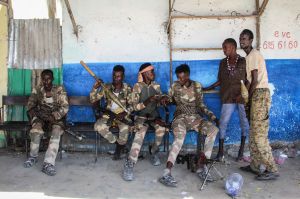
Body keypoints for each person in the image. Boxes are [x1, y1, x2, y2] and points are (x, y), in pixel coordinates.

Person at [158, 64, 219, 187]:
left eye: (183, 78)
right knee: (180, 137)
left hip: (195, 118)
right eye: (178, 78)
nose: (180, 80)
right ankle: (166, 173)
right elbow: (169, 98)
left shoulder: (197, 86)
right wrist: (164, 98)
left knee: (213, 129)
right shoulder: (174, 86)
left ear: (188, 75)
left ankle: (202, 166)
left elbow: (201, 106)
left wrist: (213, 117)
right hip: (179, 118)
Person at [239, 29, 279, 180]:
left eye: (245, 39)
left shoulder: (254, 55)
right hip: (256, 94)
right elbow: (249, 81)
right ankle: (255, 165)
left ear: (251, 40)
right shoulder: (249, 57)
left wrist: (247, 98)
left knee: (259, 134)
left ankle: (272, 169)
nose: (242, 41)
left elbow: (255, 80)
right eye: (241, 39)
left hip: (260, 94)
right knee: (253, 132)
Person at [204, 38, 249, 161]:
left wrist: (244, 94)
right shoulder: (223, 63)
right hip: (227, 96)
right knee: (223, 123)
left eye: (226, 47)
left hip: (241, 97)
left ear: (233, 47)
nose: (223, 50)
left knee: (244, 123)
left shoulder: (244, 61)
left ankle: (241, 151)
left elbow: (248, 80)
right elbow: (220, 80)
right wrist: (208, 88)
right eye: (223, 47)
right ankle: (221, 152)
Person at [122, 63, 167, 181]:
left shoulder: (156, 85)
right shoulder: (137, 86)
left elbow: (160, 98)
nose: (153, 73)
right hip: (141, 117)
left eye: (153, 71)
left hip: (154, 116)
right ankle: (130, 163)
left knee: (161, 129)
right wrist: (147, 101)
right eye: (150, 71)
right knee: (140, 133)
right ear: (144, 74)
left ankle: (153, 152)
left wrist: (162, 99)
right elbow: (133, 107)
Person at [24, 69, 69, 176]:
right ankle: (33, 156)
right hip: (41, 116)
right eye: (44, 79)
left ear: (52, 79)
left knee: (56, 131)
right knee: (36, 129)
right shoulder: (37, 89)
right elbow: (30, 106)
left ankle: (48, 163)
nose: (46, 82)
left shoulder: (59, 89)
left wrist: (54, 116)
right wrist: (36, 114)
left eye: (48, 79)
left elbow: (65, 107)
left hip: (55, 118)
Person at [90, 65, 132, 160]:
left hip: (122, 116)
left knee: (125, 128)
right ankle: (119, 145)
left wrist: (125, 113)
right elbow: (93, 100)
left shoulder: (128, 88)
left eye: (118, 76)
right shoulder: (107, 87)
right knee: (98, 126)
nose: (116, 78)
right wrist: (95, 88)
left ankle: (118, 150)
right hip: (109, 115)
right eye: (114, 76)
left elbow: (132, 104)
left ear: (123, 77)